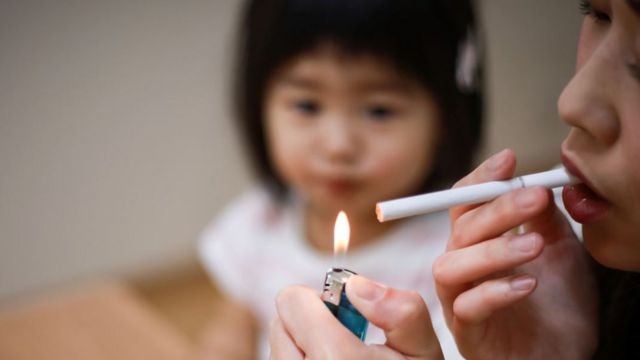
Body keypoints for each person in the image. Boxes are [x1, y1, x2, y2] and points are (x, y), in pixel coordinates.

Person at [270, 0, 640, 358]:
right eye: (598, 14)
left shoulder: (484, 259)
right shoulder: (564, 291)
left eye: (379, 110)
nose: (570, 102)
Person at [197, 0, 483, 358]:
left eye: (379, 110)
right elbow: (231, 328)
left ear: (447, 117)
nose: (338, 146)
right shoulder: (259, 222)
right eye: (307, 105)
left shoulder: (457, 257)